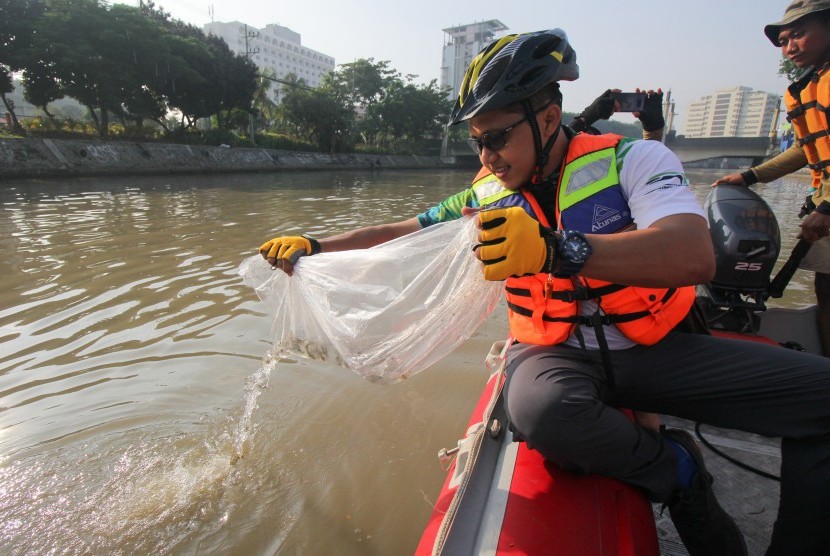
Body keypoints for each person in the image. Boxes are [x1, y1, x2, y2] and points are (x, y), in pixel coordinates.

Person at [259, 29, 830, 556]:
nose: (487, 157)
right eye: (478, 141)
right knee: (538, 409)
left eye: (499, 137)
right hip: (556, 354)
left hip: (657, 348)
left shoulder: (635, 159)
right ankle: (677, 470)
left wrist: (561, 248)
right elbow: (406, 231)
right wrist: (316, 245)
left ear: (550, 118)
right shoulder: (486, 192)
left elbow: (693, 254)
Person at [714, 0, 830, 356]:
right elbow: (804, 150)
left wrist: (828, 207)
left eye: (798, 34)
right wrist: (750, 176)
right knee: (826, 292)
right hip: (825, 204)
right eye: (783, 40)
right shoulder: (805, 88)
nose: (789, 46)